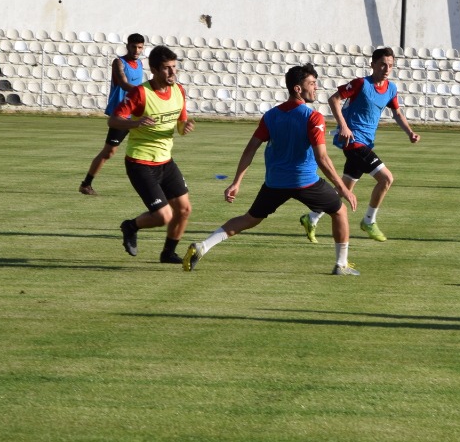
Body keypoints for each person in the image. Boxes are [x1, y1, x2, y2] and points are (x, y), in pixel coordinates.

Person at [184, 64, 358, 275]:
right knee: (339, 211)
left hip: (274, 183)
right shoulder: (313, 117)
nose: (316, 88)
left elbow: (250, 150)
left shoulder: (271, 116)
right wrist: (343, 188)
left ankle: (203, 246)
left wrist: (237, 182)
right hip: (304, 182)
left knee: (249, 219)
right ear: (297, 88)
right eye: (311, 84)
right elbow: (322, 158)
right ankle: (341, 265)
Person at [301, 47, 419, 244]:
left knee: (343, 188)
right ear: (372, 64)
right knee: (386, 179)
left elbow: (397, 113)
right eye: (382, 64)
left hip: (366, 143)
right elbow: (334, 99)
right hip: (353, 142)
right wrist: (344, 126)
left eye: (390, 65)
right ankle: (369, 221)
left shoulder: (390, 89)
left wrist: (410, 132)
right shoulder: (360, 84)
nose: (386, 68)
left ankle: (311, 217)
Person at [110, 44, 194, 264]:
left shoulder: (179, 90)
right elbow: (114, 120)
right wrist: (136, 122)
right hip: (141, 163)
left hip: (165, 162)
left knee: (184, 209)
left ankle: (168, 253)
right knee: (163, 216)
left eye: (174, 67)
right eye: (167, 68)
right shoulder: (140, 93)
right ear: (155, 70)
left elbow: (181, 122)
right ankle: (130, 226)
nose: (173, 72)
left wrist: (184, 127)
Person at [80, 33, 146, 195]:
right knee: (109, 151)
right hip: (122, 115)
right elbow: (124, 84)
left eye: (140, 47)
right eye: (134, 46)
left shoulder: (140, 64)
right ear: (127, 45)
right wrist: (144, 93)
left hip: (137, 113)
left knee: (149, 147)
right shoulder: (119, 62)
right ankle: (86, 184)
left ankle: (156, 185)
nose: (137, 50)